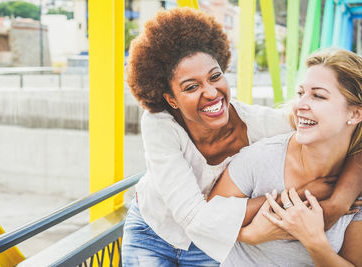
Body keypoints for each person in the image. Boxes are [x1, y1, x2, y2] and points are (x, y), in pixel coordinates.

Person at [121, 7, 362, 266]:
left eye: (215, 77)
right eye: (192, 87)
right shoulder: (160, 125)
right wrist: (286, 201)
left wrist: (338, 203)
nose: (211, 92)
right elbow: (196, 218)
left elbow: (351, 135)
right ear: (171, 99)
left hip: (211, 244)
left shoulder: (260, 124)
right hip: (155, 233)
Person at [210, 48, 362, 266]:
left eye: (318, 96)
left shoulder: (355, 188)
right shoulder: (261, 158)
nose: (299, 105)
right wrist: (250, 234)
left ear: (355, 114)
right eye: (301, 93)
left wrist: (314, 241)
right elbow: (207, 221)